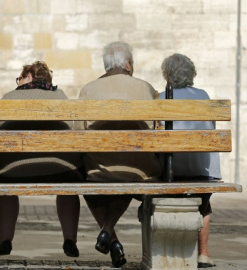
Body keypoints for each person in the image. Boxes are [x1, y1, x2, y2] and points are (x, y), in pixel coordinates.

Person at [75, 41, 161, 268]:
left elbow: (77, 134)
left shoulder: (88, 90)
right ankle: (107, 233)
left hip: (99, 169)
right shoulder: (146, 88)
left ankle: (110, 238)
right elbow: (159, 128)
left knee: (97, 179)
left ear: (106, 66)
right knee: (129, 172)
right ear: (128, 65)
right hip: (139, 169)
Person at [0, 61, 85, 257]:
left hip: (12, 170)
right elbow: (73, 131)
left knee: (6, 191)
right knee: (68, 188)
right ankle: (70, 239)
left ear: (29, 78)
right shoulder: (61, 97)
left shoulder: (9, 97)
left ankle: (5, 241)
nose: (18, 82)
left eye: (20, 78)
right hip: (60, 168)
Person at [160, 53, 220, 269]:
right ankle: (203, 253)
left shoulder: (160, 97)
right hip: (201, 170)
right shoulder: (203, 96)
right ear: (191, 74)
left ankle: (168, 251)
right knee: (204, 205)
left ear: (167, 74)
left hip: (169, 172)